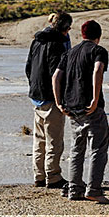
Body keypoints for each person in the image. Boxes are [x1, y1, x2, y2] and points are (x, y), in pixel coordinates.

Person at [52, 20, 109, 204]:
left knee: (77, 149)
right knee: (98, 148)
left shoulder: (70, 52)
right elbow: (98, 69)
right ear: (98, 37)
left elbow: (56, 77)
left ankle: (74, 189)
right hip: (90, 108)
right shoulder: (98, 51)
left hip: (72, 108)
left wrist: (59, 102)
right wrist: (94, 99)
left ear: (82, 35)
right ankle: (94, 190)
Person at [25, 11, 72, 189]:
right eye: (68, 28)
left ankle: (39, 176)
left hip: (36, 96)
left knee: (39, 140)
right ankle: (52, 177)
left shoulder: (37, 40)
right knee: (54, 140)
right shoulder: (57, 44)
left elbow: (28, 67)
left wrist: (34, 87)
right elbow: (57, 74)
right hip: (51, 98)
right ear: (65, 28)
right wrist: (61, 99)